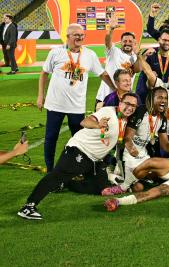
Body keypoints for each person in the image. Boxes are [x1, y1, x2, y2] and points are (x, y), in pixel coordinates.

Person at [18, 94, 139, 220]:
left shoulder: (125, 119)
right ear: (120, 102)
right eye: (127, 103)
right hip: (79, 150)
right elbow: (85, 121)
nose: (130, 108)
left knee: (99, 188)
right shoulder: (108, 111)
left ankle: (67, 183)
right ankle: (28, 206)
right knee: (57, 175)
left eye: (133, 106)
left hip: (95, 160)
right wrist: (98, 125)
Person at [37, 23, 116, 171]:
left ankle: (81, 167)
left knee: (79, 139)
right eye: (76, 35)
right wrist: (40, 96)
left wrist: (114, 88)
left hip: (77, 106)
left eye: (82, 35)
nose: (80, 38)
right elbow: (44, 74)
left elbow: (102, 74)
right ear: (67, 37)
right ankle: (50, 169)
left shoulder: (89, 54)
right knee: (51, 138)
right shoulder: (56, 52)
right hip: (55, 104)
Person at [96, 16, 138, 106]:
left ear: (134, 43)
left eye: (130, 41)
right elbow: (108, 42)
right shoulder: (114, 51)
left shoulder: (135, 58)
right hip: (105, 96)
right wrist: (110, 30)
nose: (127, 43)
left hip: (124, 99)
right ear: (120, 42)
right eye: (124, 41)